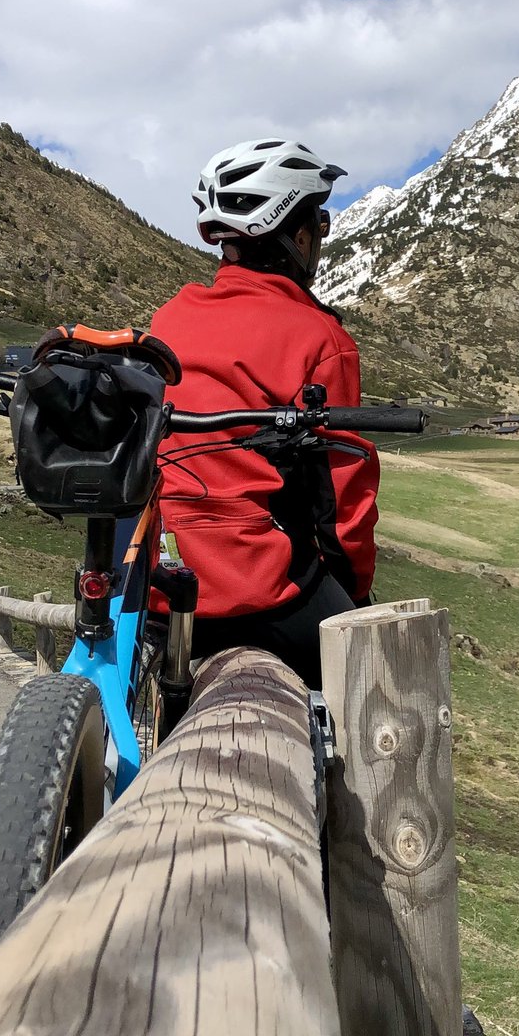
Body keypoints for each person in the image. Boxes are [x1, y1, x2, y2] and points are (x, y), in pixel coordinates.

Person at [149, 138, 379, 688]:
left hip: (159, 581)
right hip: (260, 587)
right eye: (319, 222)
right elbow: (342, 496)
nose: (320, 235)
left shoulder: (170, 317)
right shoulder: (320, 337)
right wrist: (356, 594)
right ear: (297, 233)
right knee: (375, 686)